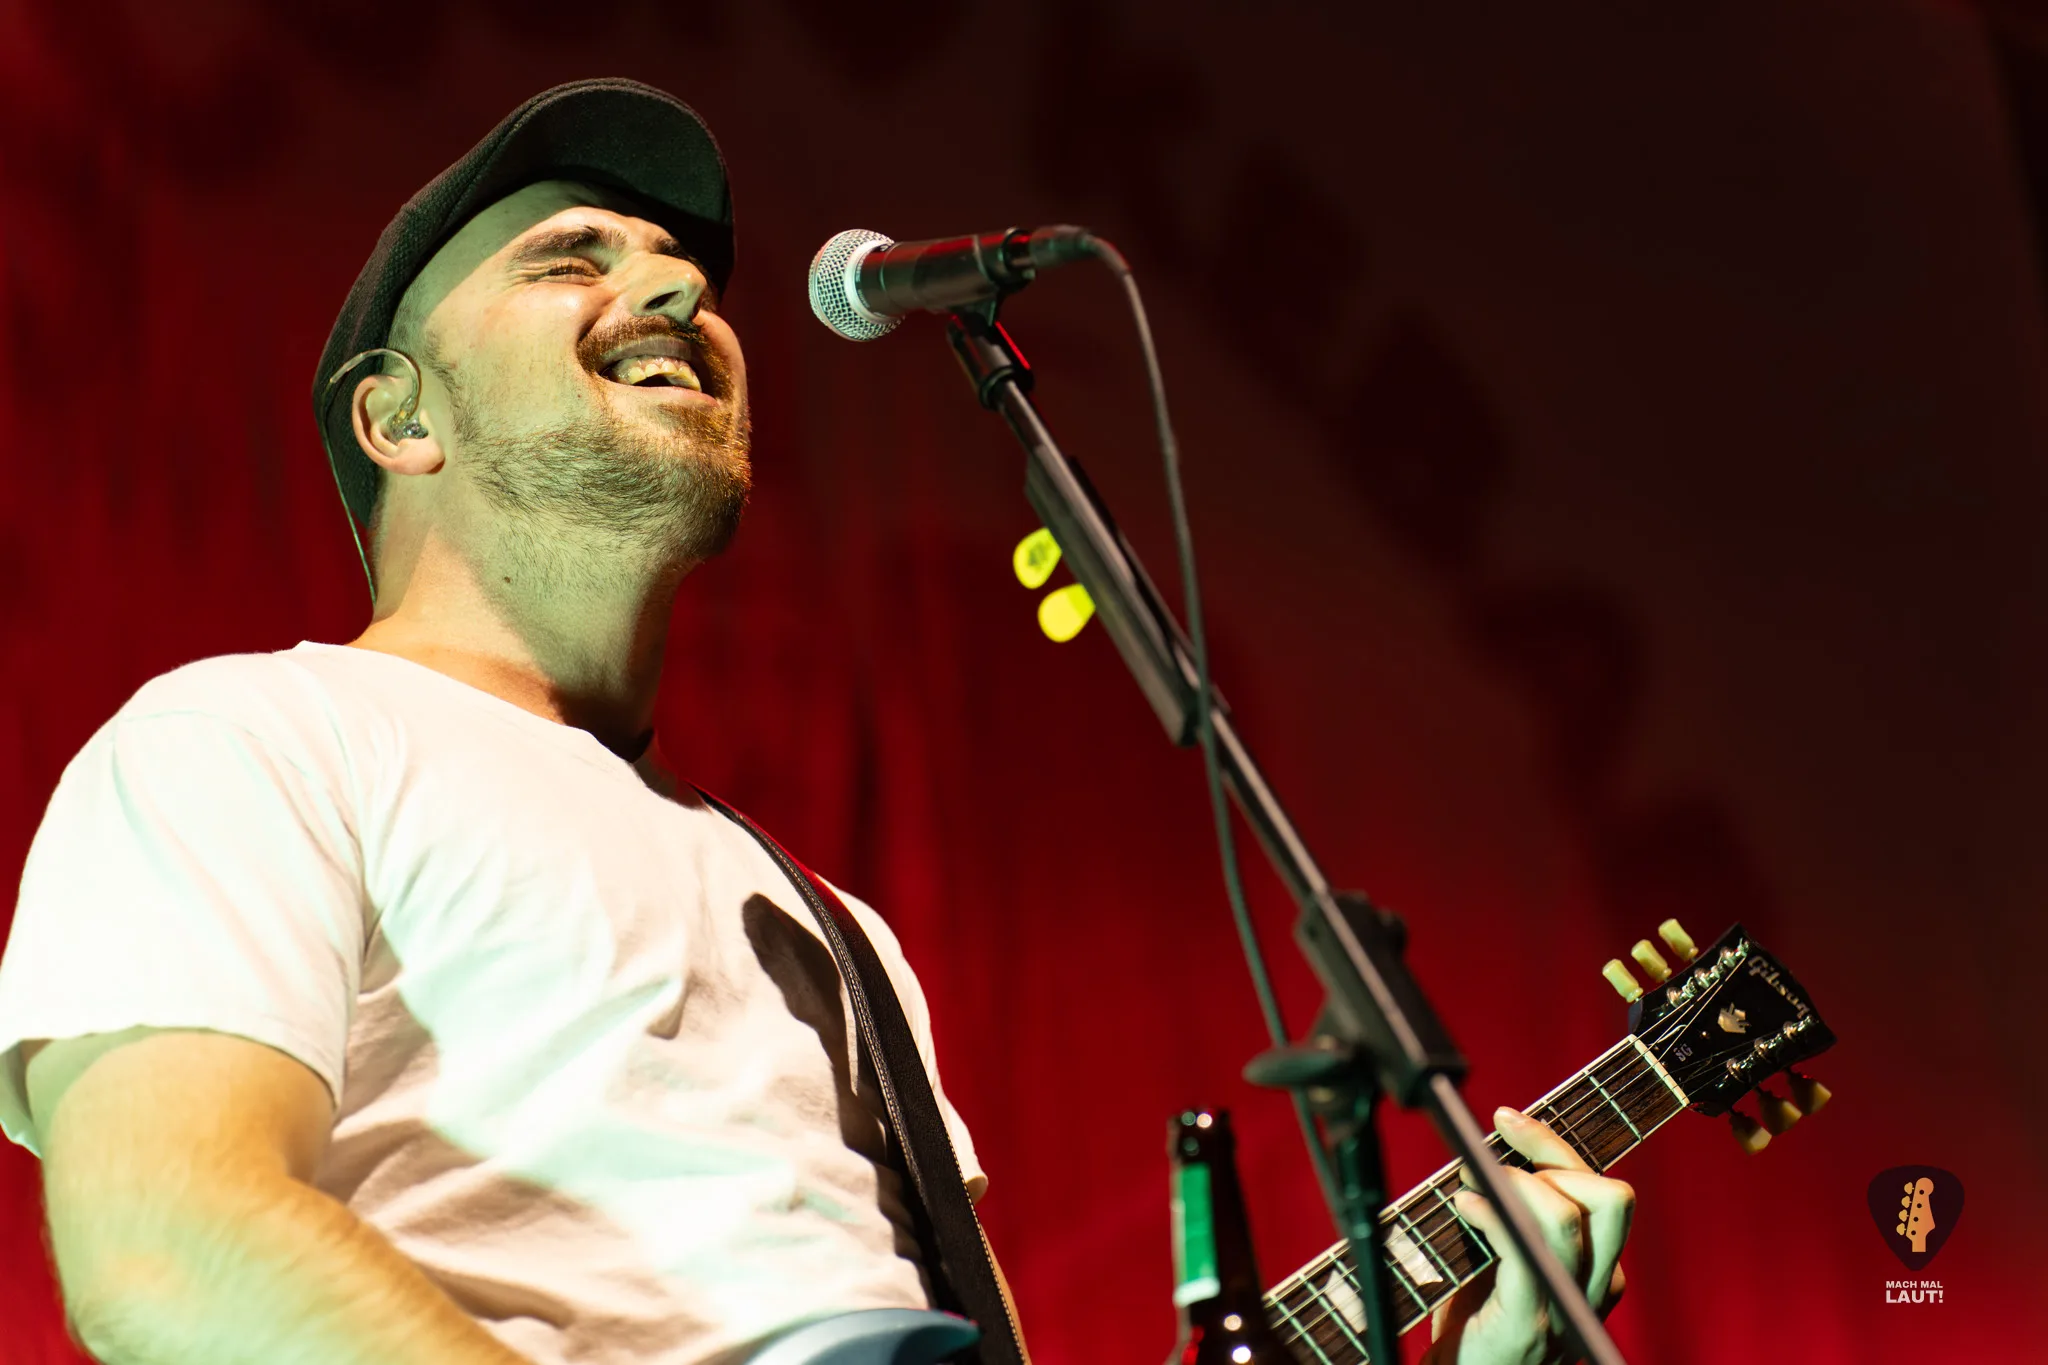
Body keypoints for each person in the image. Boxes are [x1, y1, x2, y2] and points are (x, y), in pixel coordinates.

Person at [0, 79, 1635, 1365]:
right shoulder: (253, 742)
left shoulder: (837, 935)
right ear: (398, 417)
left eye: (682, 268)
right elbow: (168, 1247)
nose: (672, 286)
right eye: (573, 257)